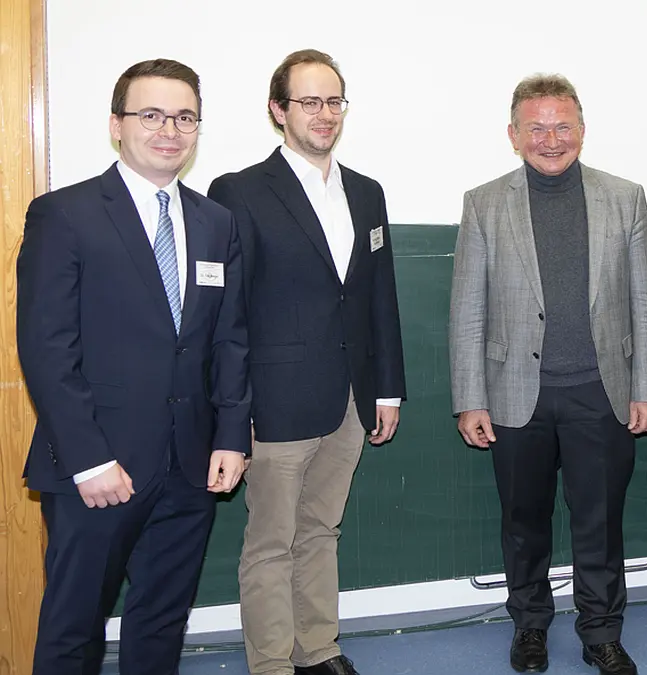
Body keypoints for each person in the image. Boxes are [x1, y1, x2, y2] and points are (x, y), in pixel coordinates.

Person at [18, 58, 250, 674]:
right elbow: (46, 346)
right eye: (150, 114)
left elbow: (228, 339)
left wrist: (230, 435)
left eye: (184, 116)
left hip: (190, 466)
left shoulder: (214, 221)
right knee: (74, 627)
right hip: (99, 467)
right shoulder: (64, 214)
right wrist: (89, 459)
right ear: (117, 125)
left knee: (161, 623)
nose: (168, 129)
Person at [448, 73, 647, 675]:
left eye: (562, 126)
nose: (551, 139)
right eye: (537, 128)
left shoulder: (625, 197)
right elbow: (468, 307)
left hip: (603, 394)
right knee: (524, 524)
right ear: (513, 134)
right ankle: (531, 627)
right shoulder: (483, 202)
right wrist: (470, 399)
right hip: (515, 397)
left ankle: (601, 631)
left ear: (582, 130)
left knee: (601, 522)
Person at [208, 49, 406, 675]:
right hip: (274, 403)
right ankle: (271, 663)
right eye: (309, 102)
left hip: (351, 400)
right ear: (278, 110)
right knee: (271, 543)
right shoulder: (237, 192)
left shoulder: (367, 192)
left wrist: (389, 391)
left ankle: (318, 649)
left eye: (334, 101)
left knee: (321, 531)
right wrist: (234, 412)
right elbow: (228, 315)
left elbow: (379, 297)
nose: (325, 115)